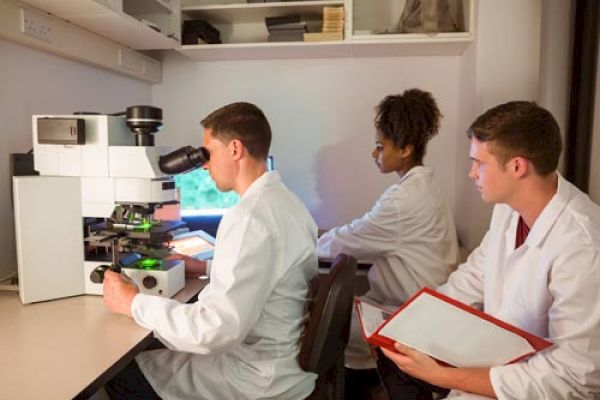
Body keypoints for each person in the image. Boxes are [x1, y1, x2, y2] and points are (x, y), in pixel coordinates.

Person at [381, 101, 600, 399]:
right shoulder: (508, 210)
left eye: (479, 163)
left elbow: (575, 378)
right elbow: (471, 277)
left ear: (517, 167)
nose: (472, 174)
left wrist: (442, 375)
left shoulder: (582, 246)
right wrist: (411, 323)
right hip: (497, 374)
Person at [102, 102, 319, 400]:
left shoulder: (248, 217)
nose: (204, 164)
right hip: (281, 360)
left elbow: (214, 330)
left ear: (234, 149)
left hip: (257, 379)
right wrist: (205, 268)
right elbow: (272, 273)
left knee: (122, 370)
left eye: (208, 152)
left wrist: (132, 303)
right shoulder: (287, 203)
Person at [317, 89, 459, 396]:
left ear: (405, 149)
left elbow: (350, 238)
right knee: (345, 309)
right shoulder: (422, 186)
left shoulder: (405, 199)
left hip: (411, 315)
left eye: (380, 146)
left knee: (323, 322)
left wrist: (309, 243)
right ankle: (370, 384)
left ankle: (352, 389)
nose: (374, 153)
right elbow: (363, 232)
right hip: (417, 305)